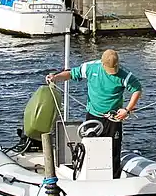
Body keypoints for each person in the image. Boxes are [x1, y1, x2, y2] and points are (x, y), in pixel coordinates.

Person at [46, 49, 142, 179]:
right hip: (93, 116)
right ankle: (89, 177)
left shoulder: (124, 75)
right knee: (90, 148)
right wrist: (55, 78)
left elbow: (137, 89)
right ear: (102, 64)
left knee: (114, 150)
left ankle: (114, 179)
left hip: (113, 118)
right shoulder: (90, 68)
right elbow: (71, 74)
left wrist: (127, 110)